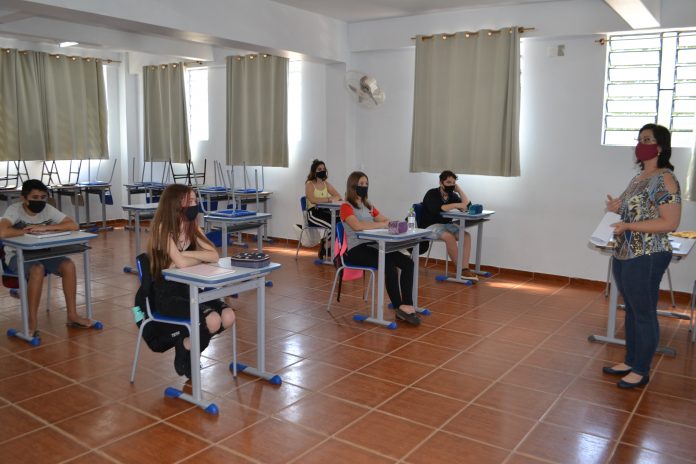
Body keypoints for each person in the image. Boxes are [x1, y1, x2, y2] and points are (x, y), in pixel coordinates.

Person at [603, 123, 681, 389]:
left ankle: (641, 369)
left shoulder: (665, 178)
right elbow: (633, 212)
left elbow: (670, 222)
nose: (640, 144)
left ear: (660, 147)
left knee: (644, 312)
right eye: (639, 139)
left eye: (647, 139)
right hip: (625, 251)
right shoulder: (638, 178)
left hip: (648, 253)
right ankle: (631, 360)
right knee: (632, 310)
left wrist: (628, 225)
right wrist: (616, 208)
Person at [146, 184, 236, 378]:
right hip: (167, 295)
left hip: (191, 290)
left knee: (228, 316)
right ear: (176, 204)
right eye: (191, 201)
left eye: (195, 200)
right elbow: (181, 263)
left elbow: (213, 255)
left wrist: (187, 255)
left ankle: (187, 345)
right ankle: (187, 349)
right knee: (212, 320)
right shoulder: (162, 229)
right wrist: (191, 258)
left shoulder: (192, 227)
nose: (196, 205)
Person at [0, 179, 92, 339]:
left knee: (68, 265)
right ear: (24, 198)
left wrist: (45, 228)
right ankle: (31, 323)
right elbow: (2, 232)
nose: (40, 201)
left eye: (43, 197)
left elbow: (73, 225)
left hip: (43, 253)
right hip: (17, 255)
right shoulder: (14, 210)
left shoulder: (47, 209)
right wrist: (27, 231)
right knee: (37, 269)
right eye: (35, 197)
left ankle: (72, 315)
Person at [339, 171, 420, 326]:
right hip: (356, 249)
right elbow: (357, 226)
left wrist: (388, 223)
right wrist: (381, 224)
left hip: (373, 245)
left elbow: (385, 220)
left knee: (407, 263)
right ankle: (398, 306)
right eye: (361, 184)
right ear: (352, 185)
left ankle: (407, 304)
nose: (364, 186)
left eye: (366, 184)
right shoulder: (346, 206)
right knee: (388, 265)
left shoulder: (368, 205)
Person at [420, 170, 478, 281]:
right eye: (448, 182)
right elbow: (438, 208)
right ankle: (461, 270)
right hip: (430, 226)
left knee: (466, 236)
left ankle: (465, 269)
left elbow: (467, 207)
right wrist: (456, 205)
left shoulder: (452, 195)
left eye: (453, 183)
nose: (451, 185)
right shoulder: (431, 193)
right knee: (449, 237)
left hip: (446, 225)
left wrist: (459, 190)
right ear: (441, 183)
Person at [305, 159, 342, 259]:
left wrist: (330, 199)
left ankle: (326, 244)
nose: (322, 171)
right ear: (314, 171)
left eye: (323, 169)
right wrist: (329, 199)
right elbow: (313, 200)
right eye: (319, 169)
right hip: (313, 214)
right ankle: (327, 246)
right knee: (333, 226)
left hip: (325, 212)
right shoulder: (309, 184)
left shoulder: (326, 184)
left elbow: (338, 196)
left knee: (340, 223)